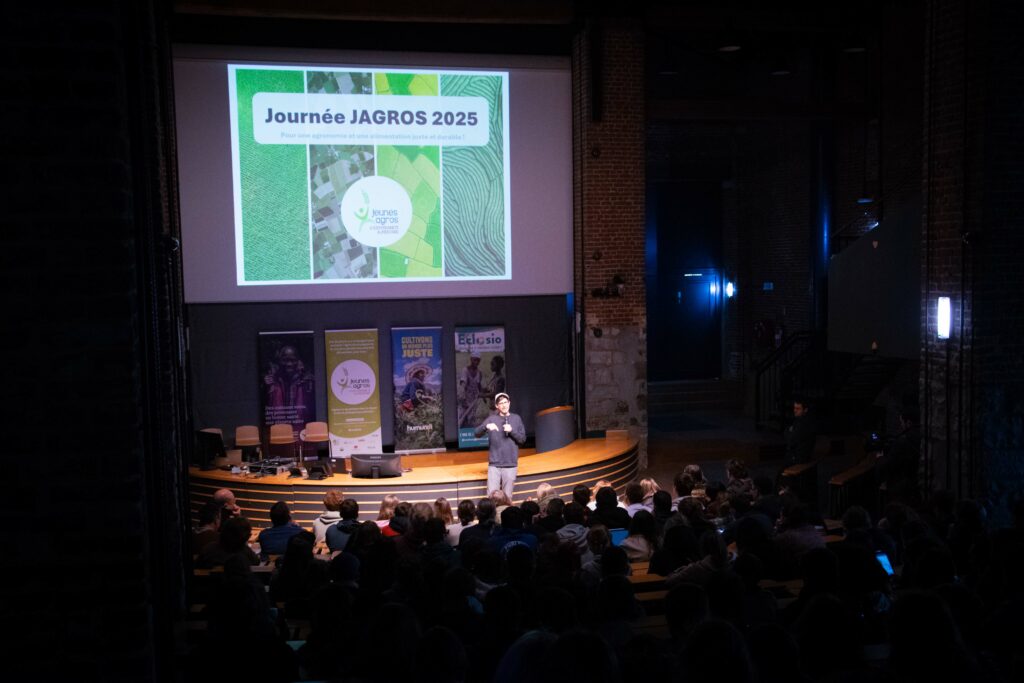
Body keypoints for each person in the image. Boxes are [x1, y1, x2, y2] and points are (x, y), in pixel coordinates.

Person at [475, 392, 526, 500]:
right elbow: (476, 433)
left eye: (505, 402)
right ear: (497, 406)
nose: (504, 405)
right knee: (491, 497)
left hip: (511, 464)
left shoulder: (516, 419)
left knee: (507, 498)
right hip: (494, 465)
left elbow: (522, 440)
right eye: (501, 403)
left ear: (509, 403)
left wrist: (511, 431)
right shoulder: (492, 419)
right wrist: (486, 426)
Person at [263, 344, 314, 421]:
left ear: (298, 361)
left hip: (300, 423)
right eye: (285, 360)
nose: (289, 364)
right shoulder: (273, 379)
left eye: (292, 360)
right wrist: (266, 387)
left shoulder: (307, 379)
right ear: (279, 361)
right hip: (280, 424)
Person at [785, 397, 816, 465]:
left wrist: (790, 431)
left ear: (805, 410)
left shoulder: (804, 423)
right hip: (796, 456)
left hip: (800, 459)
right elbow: (787, 433)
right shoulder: (798, 420)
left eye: (798, 408)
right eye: (794, 408)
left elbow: (791, 441)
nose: (795, 410)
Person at [457, 351, 485, 427]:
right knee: (462, 419)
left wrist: (483, 395)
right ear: (471, 359)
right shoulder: (465, 370)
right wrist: (463, 399)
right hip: (464, 400)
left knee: (471, 420)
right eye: (474, 360)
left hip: (473, 400)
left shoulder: (479, 373)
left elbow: (479, 385)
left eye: (478, 360)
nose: (476, 362)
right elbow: (463, 385)